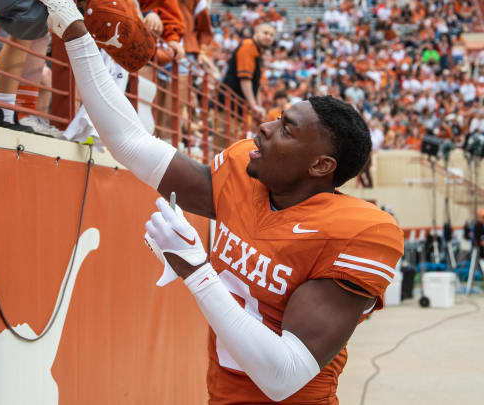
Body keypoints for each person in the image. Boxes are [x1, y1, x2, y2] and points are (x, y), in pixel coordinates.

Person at [36, 1, 404, 403]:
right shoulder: (245, 179)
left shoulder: (359, 234)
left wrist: (197, 271)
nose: (264, 127)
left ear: (320, 165)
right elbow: (131, 143)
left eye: (287, 129)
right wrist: (74, 32)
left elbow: (284, 375)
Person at [221, 22, 276, 122]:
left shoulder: (257, 51)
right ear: (256, 32)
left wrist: (258, 106)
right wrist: (254, 105)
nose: (268, 37)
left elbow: (257, 86)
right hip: (227, 106)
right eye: (265, 33)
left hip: (237, 108)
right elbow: (245, 79)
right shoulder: (248, 46)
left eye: (271, 35)